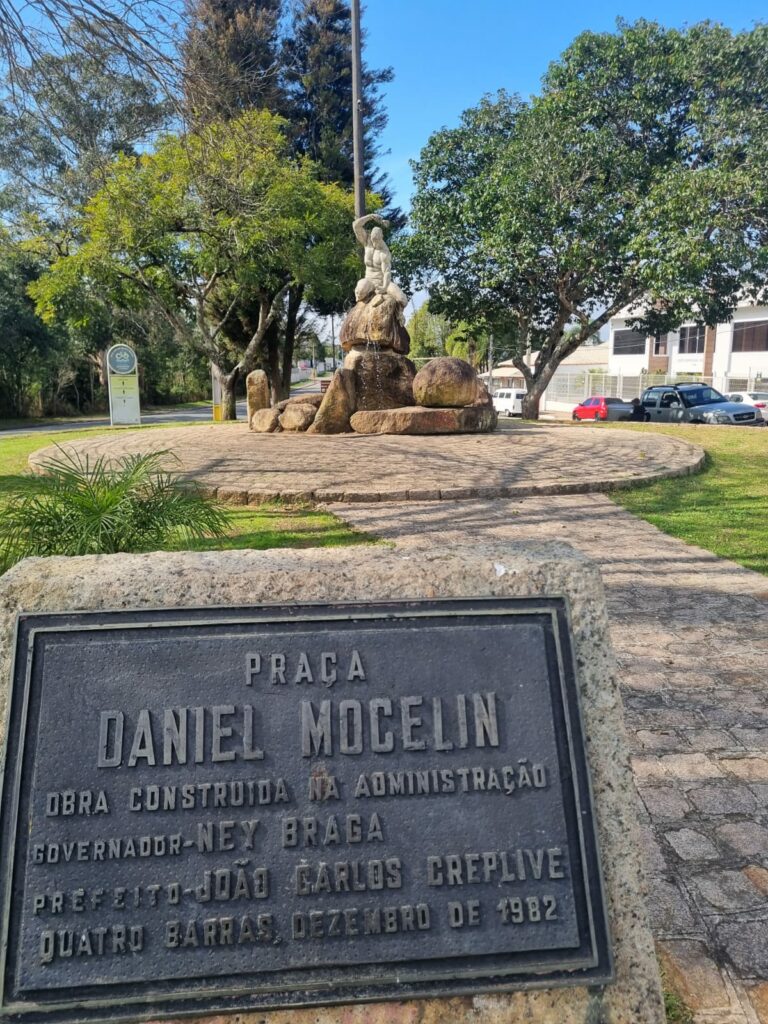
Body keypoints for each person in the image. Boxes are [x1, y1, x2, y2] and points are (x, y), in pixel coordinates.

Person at [352, 214, 408, 314]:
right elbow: (356, 226)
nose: (374, 243)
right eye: (373, 240)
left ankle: (399, 315)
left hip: (382, 282)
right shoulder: (366, 242)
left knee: (402, 299)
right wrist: (370, 216)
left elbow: (387, 273)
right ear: (370, 237)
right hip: (369, 280)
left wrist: (384, 288)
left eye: (377, 240)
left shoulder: (384, 252)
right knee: (360, 291)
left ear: (382, 237)